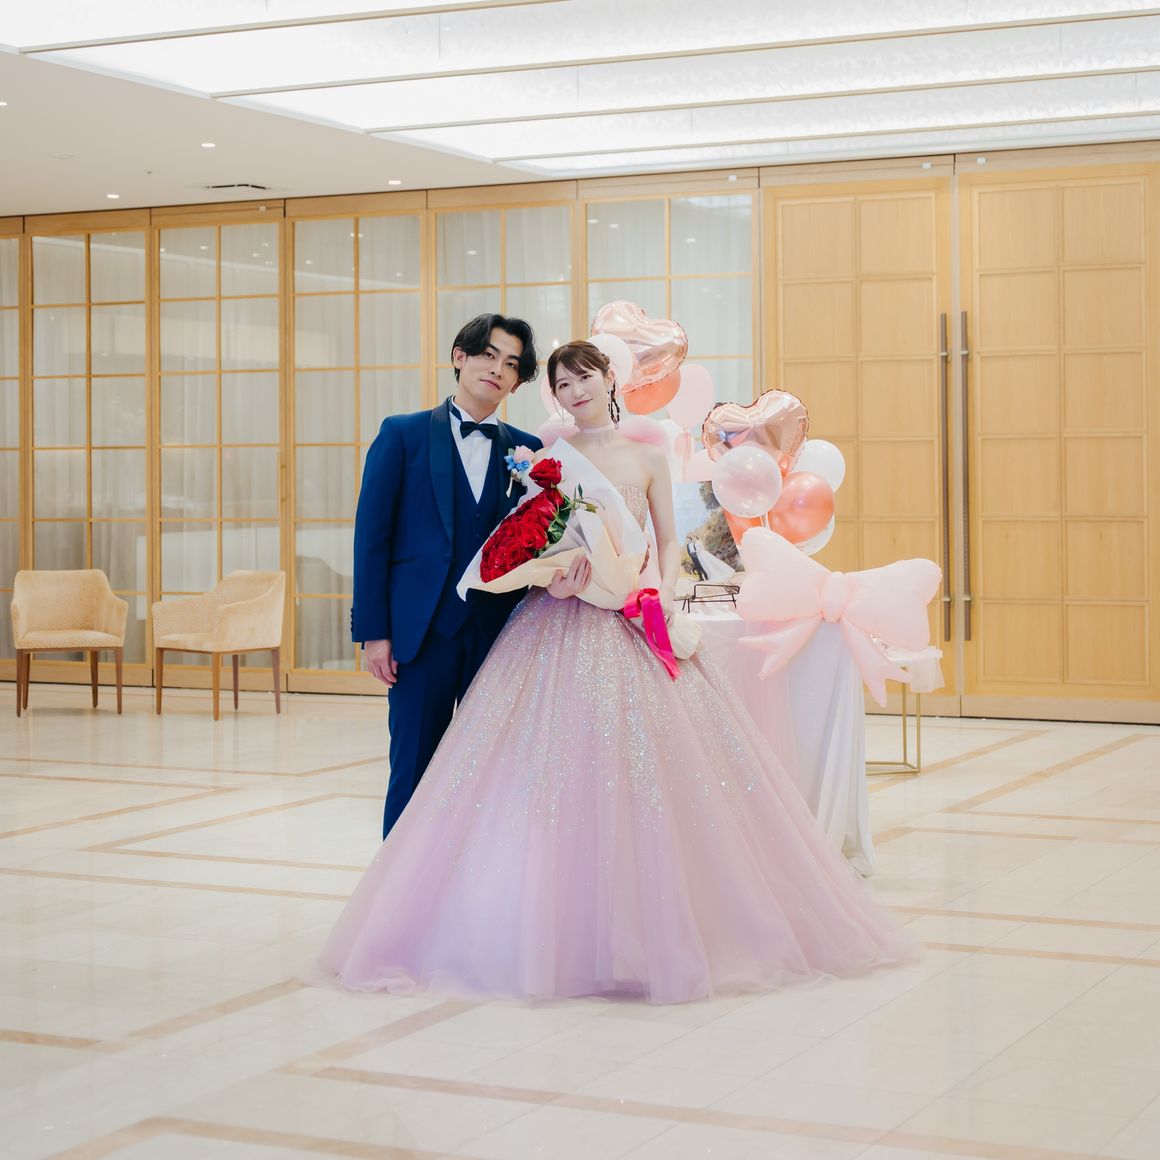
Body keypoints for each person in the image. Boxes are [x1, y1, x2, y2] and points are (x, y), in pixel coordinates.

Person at [321, 340, 911, 1004]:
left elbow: (667, 538)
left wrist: (655, 587)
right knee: (542, 776)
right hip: (555, 621)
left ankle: (647, 925)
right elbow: (535, 538)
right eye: (561, 383)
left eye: (584, 378)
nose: (575, 391)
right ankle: (529, 924)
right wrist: (556, 575)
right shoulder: (544, 458)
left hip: (631, 613)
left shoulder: (648, 454)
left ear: (609, 380)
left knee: (650, 776)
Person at [352, 313, 542, 839]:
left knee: (492, 777)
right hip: (421, 636)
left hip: (499, 637)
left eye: (511, 364)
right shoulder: (403, 434)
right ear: (460, 356)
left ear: (517, 381)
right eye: (488, 355)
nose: (497, 370)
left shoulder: (529, 450)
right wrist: (375, 633)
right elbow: (372, 539)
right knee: (412, 770)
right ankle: (399, 886)